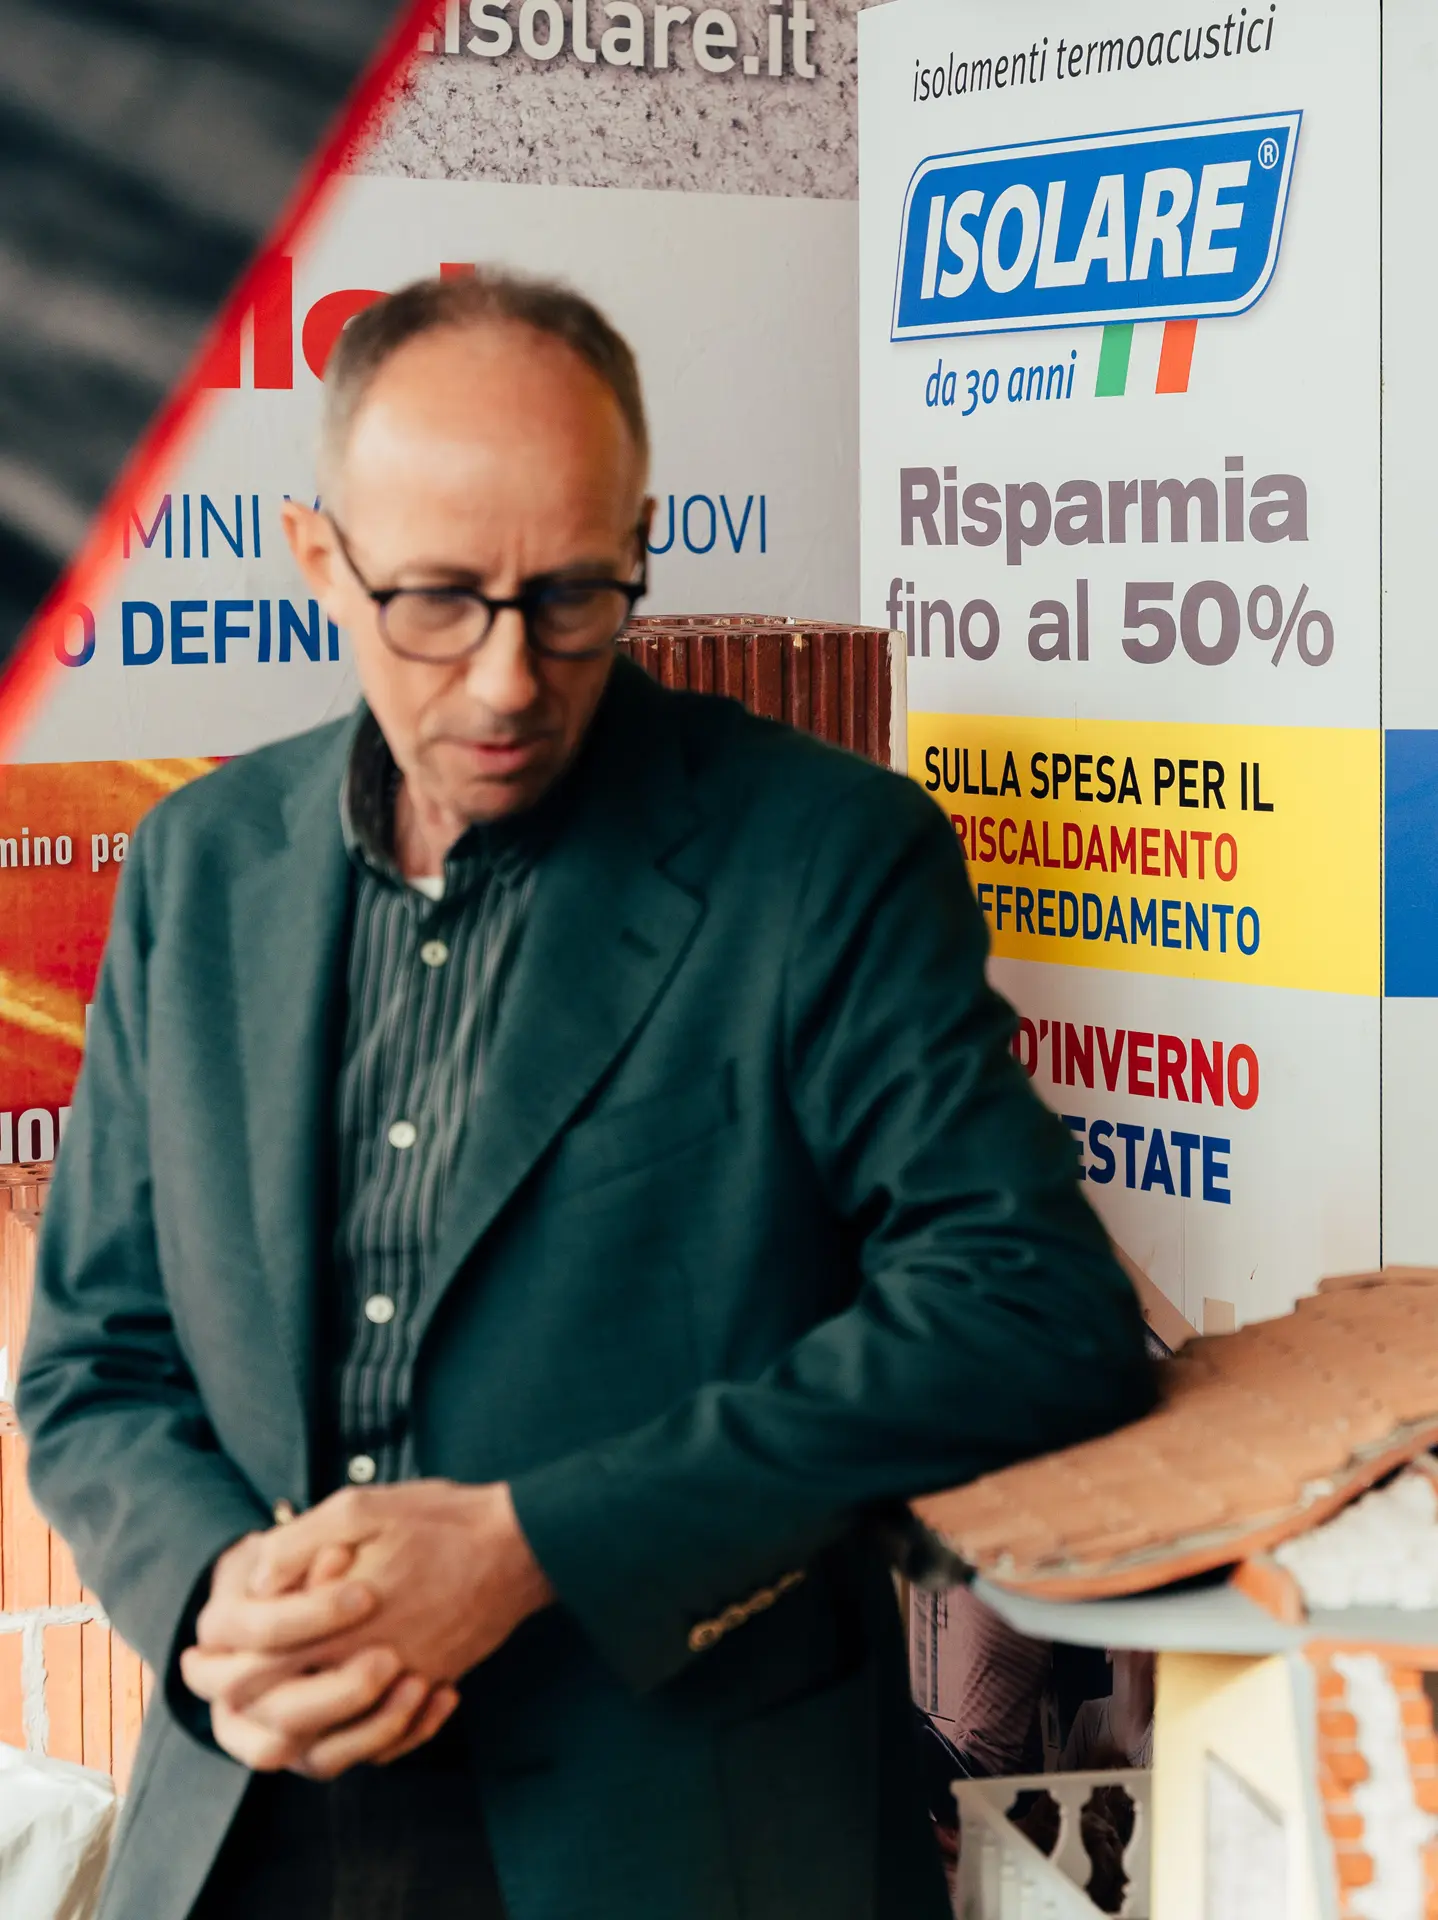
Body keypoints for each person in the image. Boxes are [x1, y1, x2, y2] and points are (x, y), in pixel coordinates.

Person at [16, 270, 1155, 1920]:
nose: (505, 678)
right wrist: (216, 1608)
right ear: (318, 560)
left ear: (637, 543)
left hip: (680, 1843)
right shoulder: (198, 865)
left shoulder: (824, 858)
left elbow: (1030, 1310)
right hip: (244, 1829)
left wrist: (536, 1545)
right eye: (436, 600)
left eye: (570, 597)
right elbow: (95, 1360)